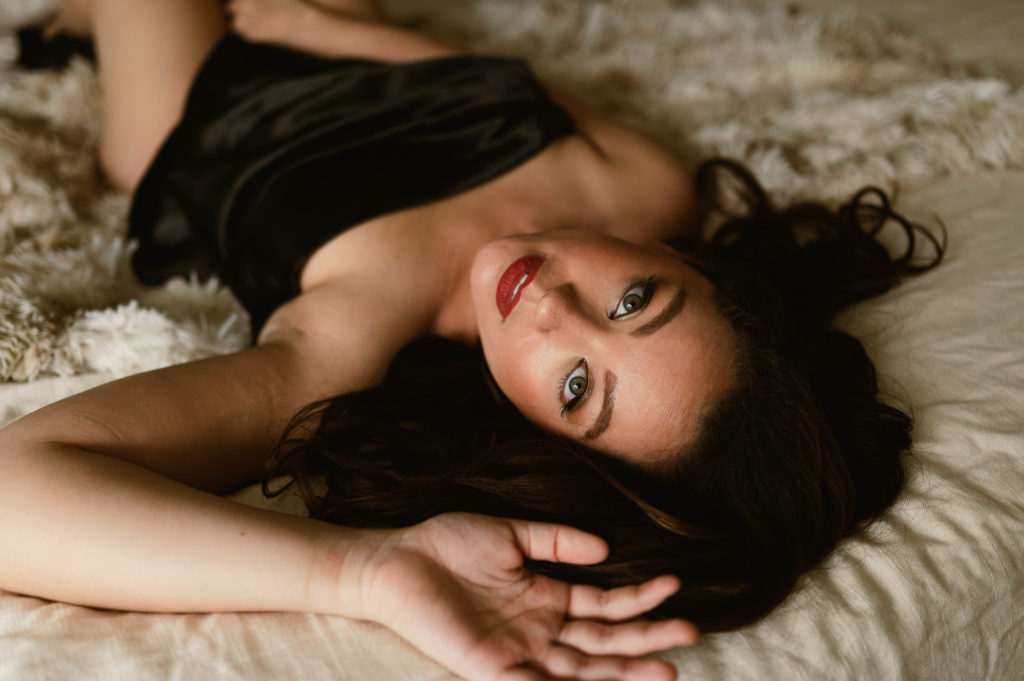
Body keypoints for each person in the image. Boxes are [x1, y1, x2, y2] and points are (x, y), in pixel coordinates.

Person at [0, 0, 943, 679]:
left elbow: (15, 494)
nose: (553, 307)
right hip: (336, 45)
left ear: (535, 430)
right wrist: (330, 30)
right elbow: (483, 82)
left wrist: (360, 572)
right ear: (687, 260)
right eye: (634, 301)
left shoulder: (349, 337)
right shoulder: (646, 187)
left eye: (576, 386)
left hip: (191, 106)